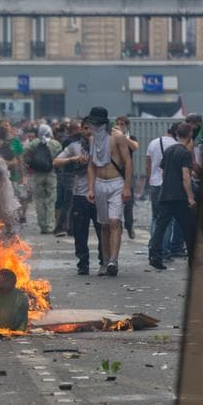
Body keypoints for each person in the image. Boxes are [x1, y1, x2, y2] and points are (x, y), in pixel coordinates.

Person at [85, 106, 133, 277]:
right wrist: (90, 188)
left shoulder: (117, 137)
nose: (92, 126)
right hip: (99, 184)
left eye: (95, 123)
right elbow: (91, 165)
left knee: (115, 222)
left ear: (103, 122)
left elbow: (127, 162)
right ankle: (105, 262)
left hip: (116, 183)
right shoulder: (92, 139)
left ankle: (114, 260)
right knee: (104, 225)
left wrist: (127, 187)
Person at [53, 121, 103, 275]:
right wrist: (73, 159)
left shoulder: (104, 146)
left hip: (100, 194)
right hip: (80, 195)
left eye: (93, 128)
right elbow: (56, 161)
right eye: (86, 128)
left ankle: (104, 262)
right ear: (81, 129)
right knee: (80, 233)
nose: (89, 131)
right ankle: (83, 264)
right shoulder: (74, 147)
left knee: (102, 232)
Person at [148, 123, 196, 270]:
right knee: (188, 229)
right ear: (189, 135)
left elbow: (162, 172)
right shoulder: (185, 153)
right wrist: (190, 197)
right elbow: (186, 176)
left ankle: (154, 256)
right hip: (180, 197)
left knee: (161, 227)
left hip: (165, 195)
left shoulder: (169, 151)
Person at [146, 123, 179, 260]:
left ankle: (153, 248)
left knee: (155, 217)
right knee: (169, 219)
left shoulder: (153, 143)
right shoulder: (177, 146)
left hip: (154, 184)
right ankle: (164, 251)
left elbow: (148, 164)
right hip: (170, 186)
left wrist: (150, 181)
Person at [25, 123, 61, 234]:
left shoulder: (34, 143)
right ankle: (50, 226)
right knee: (50, 200)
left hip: (38, 174)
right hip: (51, 173)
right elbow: (60, 156)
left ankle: (42, 225)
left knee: (39, 200)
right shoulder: (55, 144)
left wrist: (30, 163)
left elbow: (24, 152)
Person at [114, 116, 139, 239]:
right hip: (115, 172)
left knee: (128, 203)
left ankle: (129, 226)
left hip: (127, 173)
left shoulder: (131, 137)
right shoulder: (112, 137)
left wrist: (122, 137)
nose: (119, 125)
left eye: (122, 124)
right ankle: (116, 226)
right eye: (118, 123)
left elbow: (134, 147)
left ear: (127, 126)